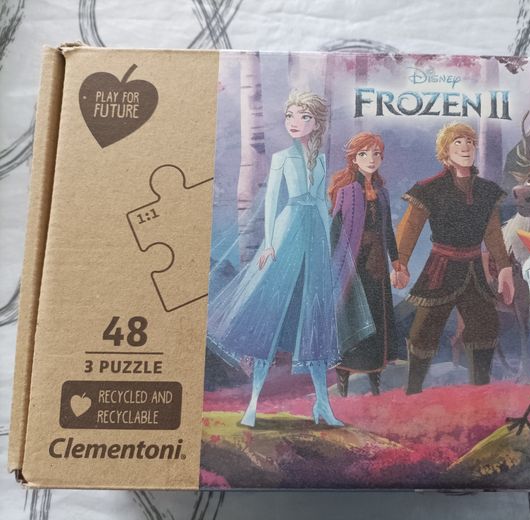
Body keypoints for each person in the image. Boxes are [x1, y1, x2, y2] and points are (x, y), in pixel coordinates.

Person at [207, 90, 368, 427]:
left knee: (315, 321)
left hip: (315, 239)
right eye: (290, 116)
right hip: (286, 232)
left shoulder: (320, 160)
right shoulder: (281, 158)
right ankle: (253, 403)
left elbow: (323, 206)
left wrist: (328, 244)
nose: (295, 122)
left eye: (304, 116)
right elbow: (271, 202)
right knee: (269, 320)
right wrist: (269, 244)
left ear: (316, 123)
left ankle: (323, 405)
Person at [396, 122, 514, 394]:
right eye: (458, 142)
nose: (465, 147)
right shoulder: (429, 188)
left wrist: (505, 268)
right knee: (423, 331)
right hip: (440, 269)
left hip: (474, 271)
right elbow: (410, 228)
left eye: (469, 142)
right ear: (445, 152)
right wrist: (400, 264)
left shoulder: (487, 190)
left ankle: (480, 390)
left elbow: (492, 233)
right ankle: (412, 390)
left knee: (486, 327)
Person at [328, 132, 408, 396]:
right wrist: (336, 266)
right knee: (351, 318)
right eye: (363, 154)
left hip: (377, 266)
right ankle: (343, 379)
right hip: (352, 266)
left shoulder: (382, 193)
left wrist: (396, 261)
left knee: (377, 319)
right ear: (354, 159)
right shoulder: (346, 192)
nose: (371, 159)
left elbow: (388, 230)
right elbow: (336, 231)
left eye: (376, 154)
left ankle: (375, 381)